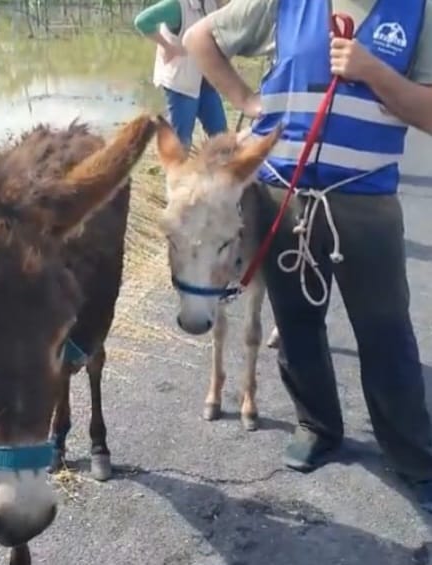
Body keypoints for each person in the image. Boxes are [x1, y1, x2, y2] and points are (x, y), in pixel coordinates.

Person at [183, 0, 432, 511]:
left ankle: (412, 455)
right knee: (296, 323)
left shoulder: (419, 11)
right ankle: (317, 424)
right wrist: (249, 101)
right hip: (283, 196)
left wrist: (371, 71)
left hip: (367, 201)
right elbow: (198, 39)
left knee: (386, 332)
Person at [133, 0, 227, 149]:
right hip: (181, 83)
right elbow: (143, 21)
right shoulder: (176, 6)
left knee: (221, 134)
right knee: (181, 142)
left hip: (205, 79)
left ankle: (218, 168)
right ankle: (178, 171)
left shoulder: (211, 3)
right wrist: (168, 46)